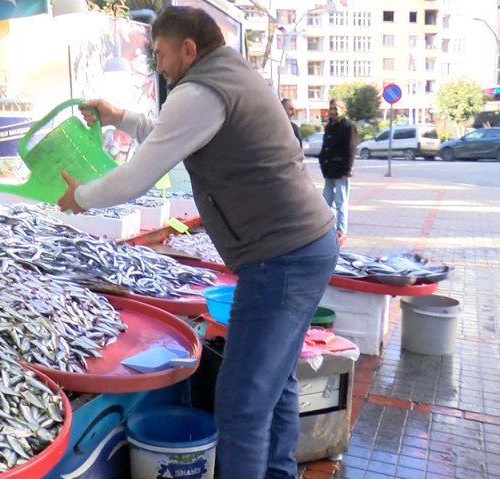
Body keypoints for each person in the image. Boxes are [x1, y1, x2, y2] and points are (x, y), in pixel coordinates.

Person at [56, 6, 338, 479]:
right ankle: (279, 473)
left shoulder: (202, 90)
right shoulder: (228, 77)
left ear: (188, 48)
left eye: (162, 55)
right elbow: (170, 137)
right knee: (277, 383)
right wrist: (118, 116)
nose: (159, 66)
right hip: (307, 245)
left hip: (281, 258)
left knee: (242, 402)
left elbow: (138, 176)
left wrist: (80, 197)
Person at [318, 98, 357, 239]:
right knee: (326, 202)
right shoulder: (329, 126)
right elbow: (325, 146)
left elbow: (351, 149)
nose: (334, 111)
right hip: (329, 170)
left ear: (343, 109)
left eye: (337, 108)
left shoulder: (348, 126)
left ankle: (341, 231)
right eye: (332, 108)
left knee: (341, 203)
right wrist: (322, 161)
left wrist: (347, 170)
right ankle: (328, 229)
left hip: (341, 171)